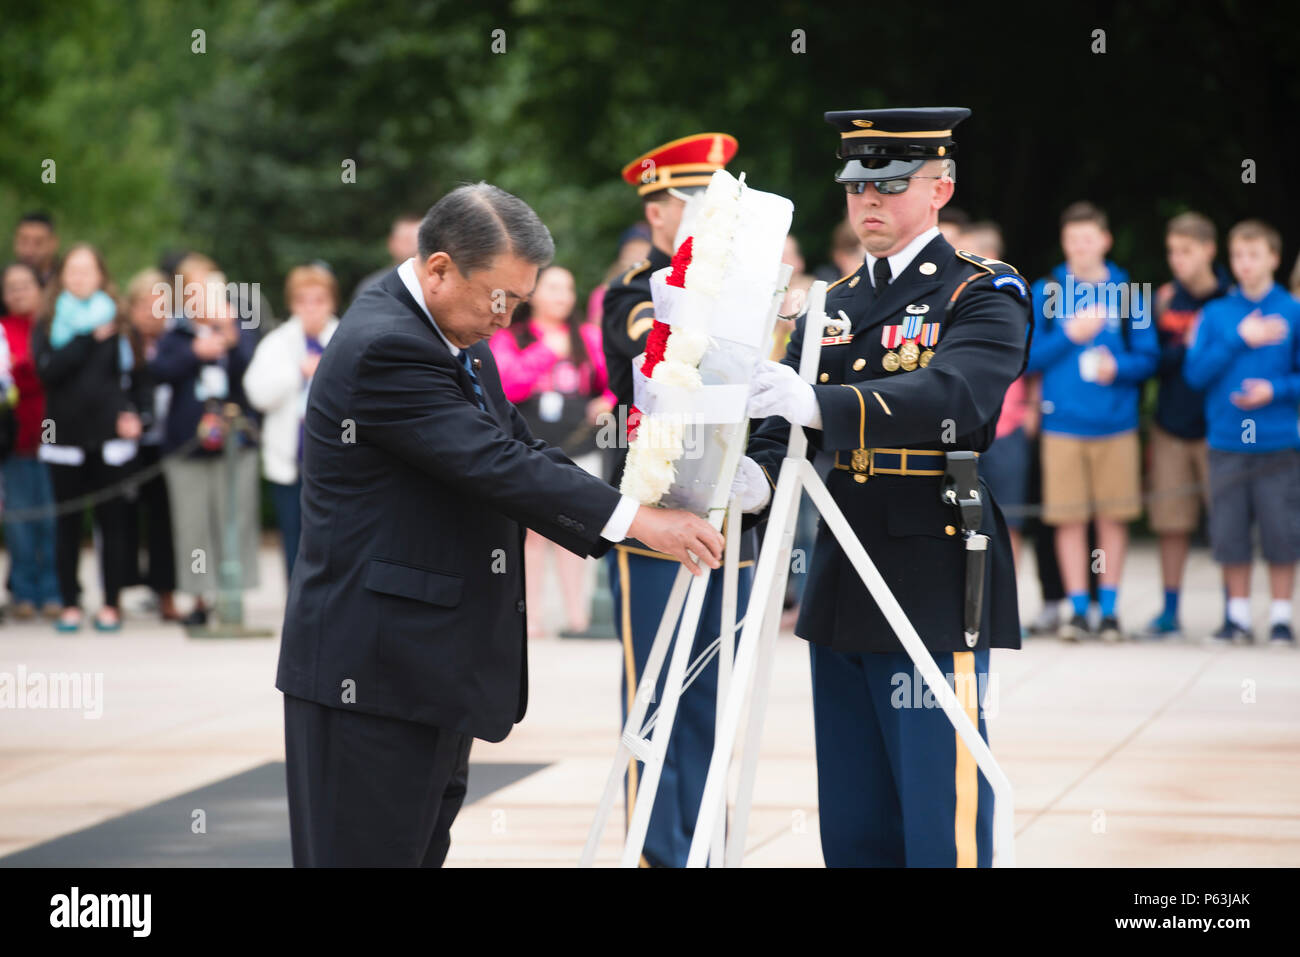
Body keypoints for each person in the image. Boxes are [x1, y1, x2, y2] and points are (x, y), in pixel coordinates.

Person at [275, 183, 721, 867]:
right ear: (439, 268)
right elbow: (494, 464)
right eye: (499, 297)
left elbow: (520, 446)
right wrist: (639, 522)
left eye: (518, 301)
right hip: (371, 676)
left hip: (425, 669)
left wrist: (641, 499)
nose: (505, 317)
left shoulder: (450, 327)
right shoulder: (386, 345)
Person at [738, 107, 1031, 867]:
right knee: (856, 815)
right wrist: (755, 479)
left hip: (932, 562)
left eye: (892, 183)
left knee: (941, 810)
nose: (869, 200)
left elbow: (954, 396)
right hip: (843, 565)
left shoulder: (981, 293)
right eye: (857, 185)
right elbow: (785, 420)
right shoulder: (829, 304)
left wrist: (822, 407)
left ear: (940, 188)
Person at [600, 132, 758, 867]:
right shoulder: (638, 288)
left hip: (731, 515)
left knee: (712, 701)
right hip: (659, 518)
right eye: (683, 203)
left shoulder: (746, 290)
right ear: (659, 214)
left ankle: (703, 847)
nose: (690, 216)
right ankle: (658, 853)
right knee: (660, 695)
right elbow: (653, 364)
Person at [1025, 202, 1159, 641]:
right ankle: (1078, 610)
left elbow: (1150, 357)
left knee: (1113, 517)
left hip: (1116, 424)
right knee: (1067, 519)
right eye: (1072, 240)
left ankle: (1111, 610)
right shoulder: (1045, 291)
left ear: (1105, 240)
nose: (1081, 248)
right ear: (1064, 243)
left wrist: (1117, 369)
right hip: (1061, 425)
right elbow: (1025, 360)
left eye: (1088, 239)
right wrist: (1070, 336)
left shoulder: (1129, 291)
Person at [1184, 219, 1300, 645]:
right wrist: (1239, 338)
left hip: (1278, 442)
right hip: (1226, 441)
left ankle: (1283, 618)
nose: (1245, 264)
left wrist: (1276, 389)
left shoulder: (1292, 310)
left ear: (1273, 257)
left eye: (1254, 255)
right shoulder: (1215, 314)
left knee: (1281, 530)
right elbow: (1195, 373)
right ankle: (1237, 617)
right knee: (1229, 530)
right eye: (1237, 256)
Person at [488, 264, 613, 638]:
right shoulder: (512, 336)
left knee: (576, 526)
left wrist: (606, 402)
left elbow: (615, 382)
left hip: (579, 443)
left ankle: (577, 617)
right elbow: (506, 386)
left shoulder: (588, 337)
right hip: (528, 445)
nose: (562, 296)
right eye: (553, 287)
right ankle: (531, 616)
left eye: (568, 288)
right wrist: (546, 352)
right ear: (533, 293)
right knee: (530, 534)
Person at [30, 244, 142, 632]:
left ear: (100, 275)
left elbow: (132, 376)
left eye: (86, 270)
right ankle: (69, 604)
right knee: (68, 526)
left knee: (113, 523)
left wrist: (133, 414)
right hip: (64, 436)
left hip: (107, 436)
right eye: (72, 271)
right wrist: (86, 338)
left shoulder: (119, 322)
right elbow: (48, 372)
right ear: (62, 277)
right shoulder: (48, 321)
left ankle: (111, 603)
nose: (78, 278)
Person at [150, 254, 261, 626]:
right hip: (188, 444)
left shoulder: (239, 329)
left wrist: (231, 338)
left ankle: (233, 596)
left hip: (234, 443)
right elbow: (158, 372)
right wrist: (193, 354)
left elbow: (254, 376)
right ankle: (198, 597)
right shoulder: (176, 335)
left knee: (235, 517)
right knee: (192, 523)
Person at [1143, 212, 1230, 637]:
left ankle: (1236, 612)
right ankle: (1169, 612)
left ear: (1209, 250)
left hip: (1221, 428)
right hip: (1171, 425)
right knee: (1170, 522)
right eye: (1172, 251)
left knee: (1227, 522)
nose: (1177, 260)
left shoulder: (1231, 298)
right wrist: (1188, 346)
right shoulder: (1162, 301)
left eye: (1187, 251)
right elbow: (1150, 361)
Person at [243, 264, 340, 581]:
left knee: (334, 539)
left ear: (331, 302)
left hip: (334, 459)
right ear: (293, 303)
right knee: (293, 535)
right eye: (303, 300)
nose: (311, 308)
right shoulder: (277, 342)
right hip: (290, 458)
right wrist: (296, 373)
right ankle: (296, 605)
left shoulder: (344, 337)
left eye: (319, 300)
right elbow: (257, 392)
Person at [958, 222, 1033, 571]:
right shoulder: (955, 297)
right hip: (963, 428)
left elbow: (1031, 359)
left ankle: (1007, 603)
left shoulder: (1013, 298)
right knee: (961, 520)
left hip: (1006, 427)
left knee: (1009, 520)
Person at [1, 262, 62, 619]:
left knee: (54, 519)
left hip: (54, 437)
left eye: (26, 284)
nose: (20, 291)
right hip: (15, 439)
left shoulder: (52, 328)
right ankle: (23, 592)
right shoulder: (2, 330)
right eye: (12, 286)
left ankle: (55, 591)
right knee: (20, 519)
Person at [119, 269, 180, 621]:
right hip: (128, 444)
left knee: (164, 521)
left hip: (167, 443)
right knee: (122, 518)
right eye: (144, 305)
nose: (151, 312)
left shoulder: (175, 341)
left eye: (158, 305)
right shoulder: (121, 343)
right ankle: (122, 589)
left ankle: (165, 591)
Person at [350, 213, 422, 305]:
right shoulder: (372, 286)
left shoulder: (437, 285)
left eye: (419, 239)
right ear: (391, 243)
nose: (414, 246)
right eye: (407, 240)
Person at [13, 212, 59, 287]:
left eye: (38, 243)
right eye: (23, 241)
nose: (29, 250)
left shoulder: (66, 282)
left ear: (53, 243)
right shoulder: (4, 283)